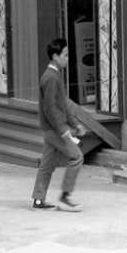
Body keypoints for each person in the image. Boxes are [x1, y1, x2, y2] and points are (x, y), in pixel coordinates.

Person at [32, 38, 85, 212]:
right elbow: (51, 108)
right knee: (76, 157)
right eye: (65, 55)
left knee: (46, 164)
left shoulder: (52, 75)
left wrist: (74, 124)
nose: (67, 58)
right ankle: (65, 196)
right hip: (55, 129)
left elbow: (62, 105)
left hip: (51, 128)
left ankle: (39, 200)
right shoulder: (51, 78)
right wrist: (64, 130)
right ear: (55, 56)